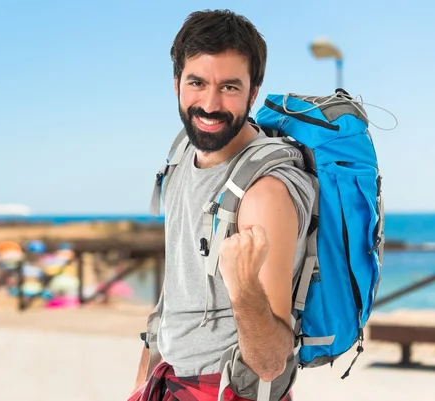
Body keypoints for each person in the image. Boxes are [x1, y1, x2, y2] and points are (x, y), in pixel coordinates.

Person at [130, 9, 316, 401]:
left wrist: (244, 285)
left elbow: (271, 362)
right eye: (197, 82)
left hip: (227, 391)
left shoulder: (264, 193)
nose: (210, 105)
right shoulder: (182, 152)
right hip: (167, 381)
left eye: (230, 87)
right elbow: (177, 288)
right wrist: (142, 379)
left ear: (253, 91)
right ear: (177, 82)